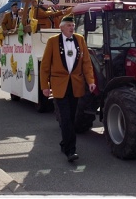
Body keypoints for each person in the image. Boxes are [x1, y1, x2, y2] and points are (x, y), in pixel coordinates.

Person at [40, 15, 96, 162]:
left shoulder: (80, 39)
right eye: (69, 25)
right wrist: (45, 86)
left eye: (73, 25)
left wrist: (90, 81)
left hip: (75, 84)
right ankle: (70, 150)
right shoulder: (53, 42)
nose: (72, 27)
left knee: (71, 117)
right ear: (62, 27)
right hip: (59, 85)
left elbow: (86, 63)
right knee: (65, 118)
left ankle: (65, 142)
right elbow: (45, 66)